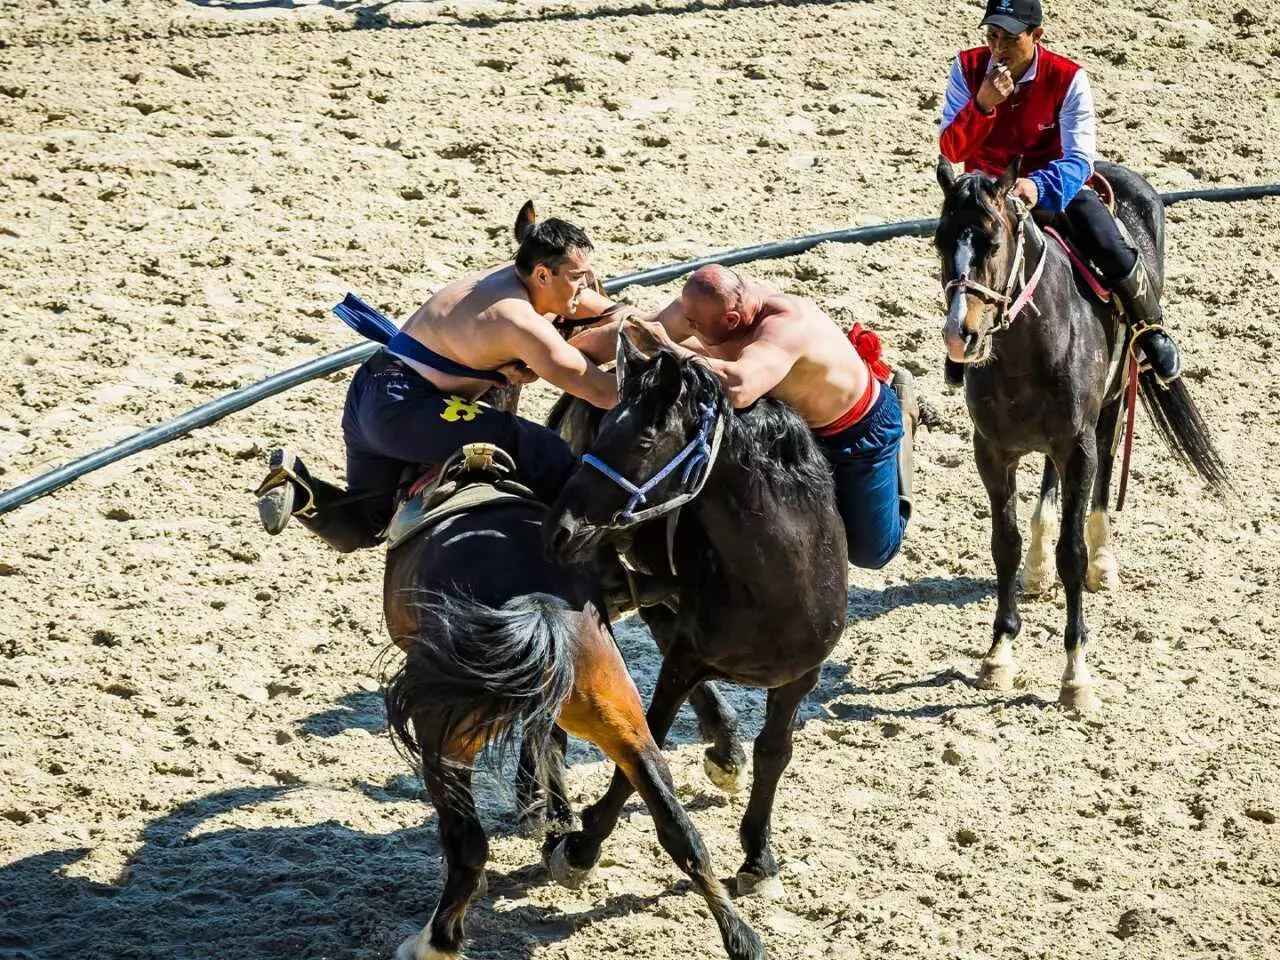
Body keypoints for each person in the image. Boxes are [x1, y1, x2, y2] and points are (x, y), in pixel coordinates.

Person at [254, 217, 621, 552]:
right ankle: (596, 558)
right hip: (407, 409)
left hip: (369, 391)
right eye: (578, 276)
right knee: (541, 447)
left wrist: (648, 322)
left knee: (368, 524)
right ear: (543, 274)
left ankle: (301, 490)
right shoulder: (520, 319)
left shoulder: (505, 278)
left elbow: (600, 309)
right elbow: (603, 393)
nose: (585, 285)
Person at [578, 264, 919, 570]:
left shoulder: (787, 324)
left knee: (871, 552)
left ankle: (903, 423)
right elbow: (638, 328)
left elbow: (739, 387)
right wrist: (566, 350)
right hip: (783, 421)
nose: (688, 325)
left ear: (732, 321)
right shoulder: (704, 305)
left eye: (695, 325)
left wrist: (670, 348)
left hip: (854, 431)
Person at [938, 0, 1181, 384]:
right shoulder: (966, 69)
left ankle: (1149, 328)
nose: (998, 50)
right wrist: (982, 105)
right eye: (992, 36)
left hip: (1051, 186)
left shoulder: (1068, 78)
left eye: (1009, 39)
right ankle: (959, 328)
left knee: (1108, 241)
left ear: (1036, 36)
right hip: (987, 196)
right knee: (957, 250)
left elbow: (1081, 158)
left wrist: (1039, 186)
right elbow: (952, 149)